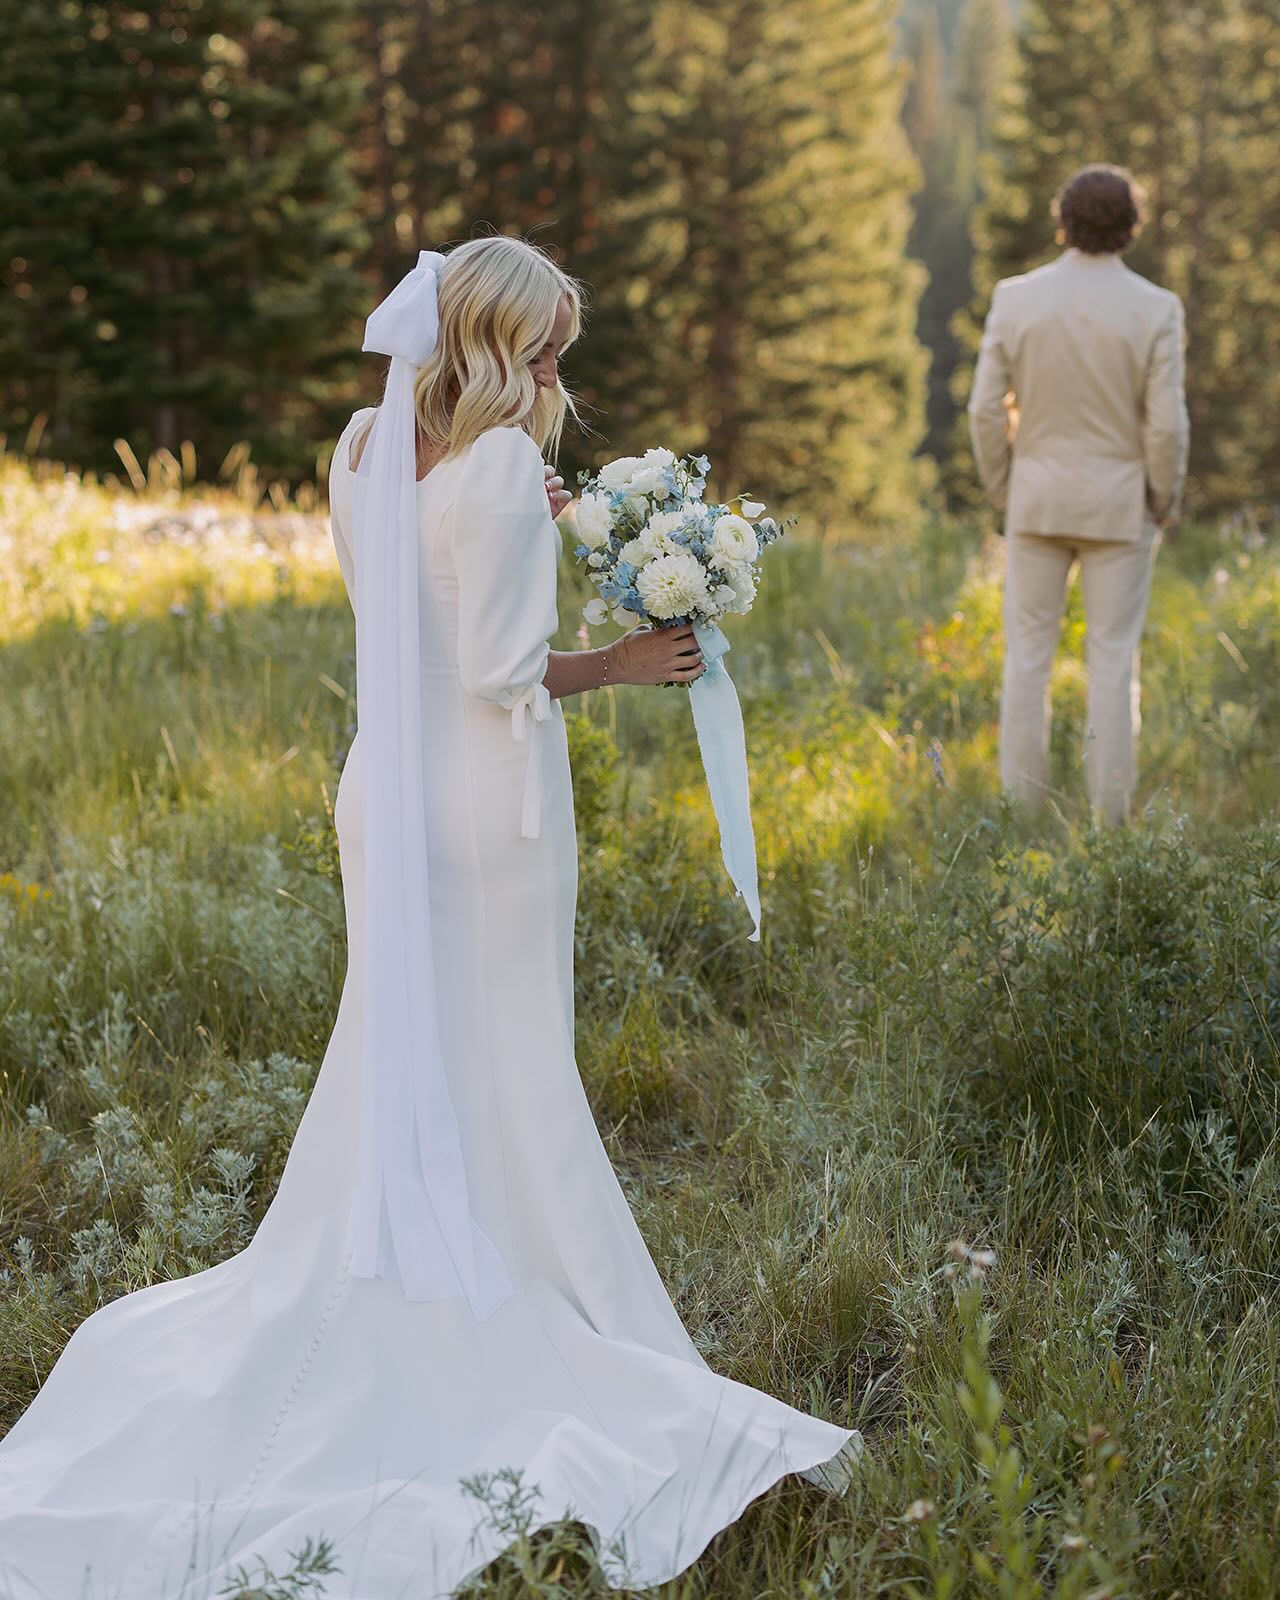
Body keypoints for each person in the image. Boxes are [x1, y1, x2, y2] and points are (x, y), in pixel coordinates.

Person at [0, 235, 859, 1598]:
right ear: (500, 340)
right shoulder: (500, 463)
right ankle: (524, 1293)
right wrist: (628, 660)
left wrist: (536, 521)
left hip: (383, 793)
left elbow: (414, 591)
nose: (558, 371)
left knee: (411, 1042)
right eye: (548, 348)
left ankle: (405, 1253)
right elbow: (501, 667)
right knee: (509, 1054)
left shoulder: (358, 445)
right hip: (484, 808)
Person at [968, 163, 1190, 826]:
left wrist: (1004, 489)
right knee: (1114, 664)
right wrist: (1162, 499)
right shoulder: (1156, 308)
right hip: (1120, 509)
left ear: (1063, 219)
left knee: (1026, 661)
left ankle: (1020, 817)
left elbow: (984, 409)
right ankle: (1109, 826)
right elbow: (1167, 426)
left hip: (1035, 502)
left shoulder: (1016, 298)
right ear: (1130, 226)